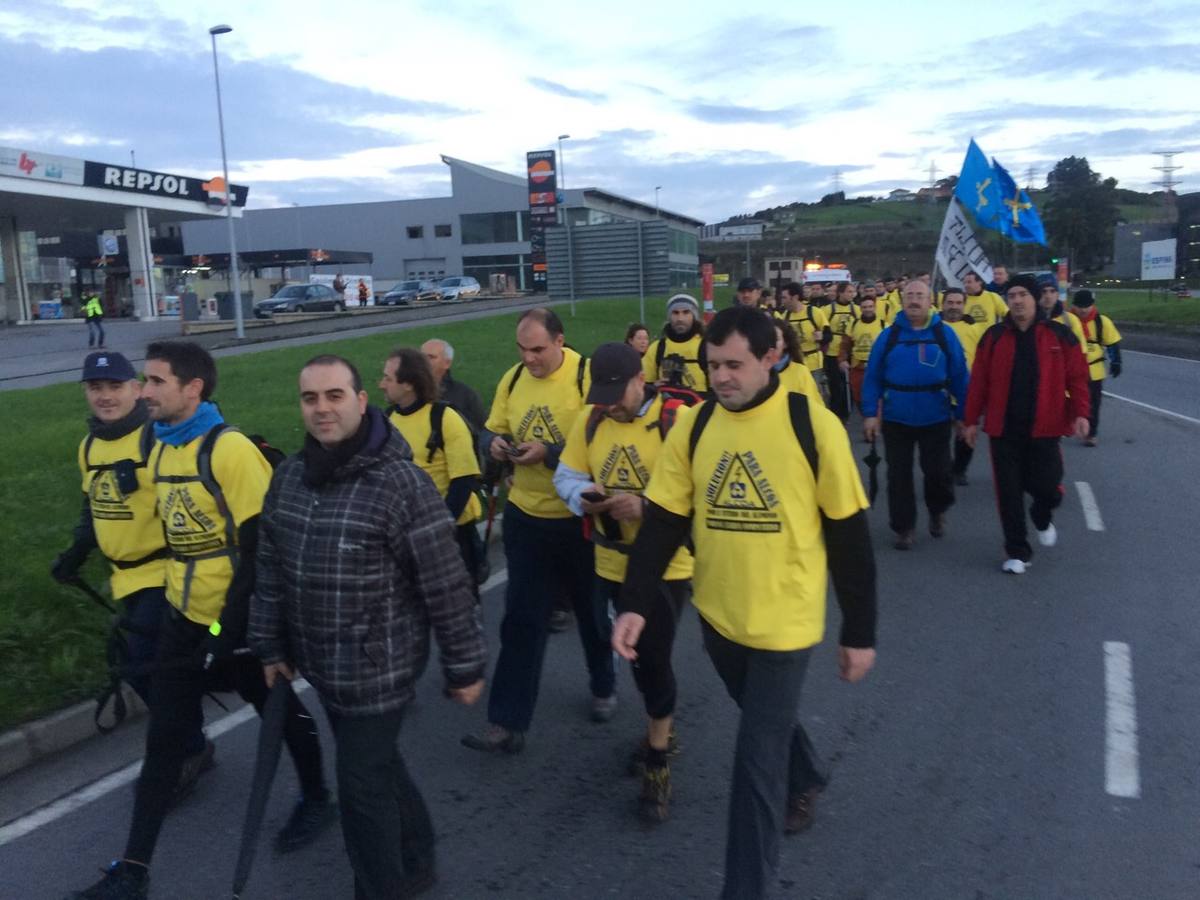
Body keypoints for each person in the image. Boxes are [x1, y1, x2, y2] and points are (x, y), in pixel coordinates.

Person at [613, 305, 877, 900]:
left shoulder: (813, 425)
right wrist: (634, 603)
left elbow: (850, 537)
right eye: (713, 365)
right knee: (762, 717)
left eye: (734, 364)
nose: (721, 377)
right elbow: (663, 522)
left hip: (785, 623)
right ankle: (807, 771)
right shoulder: (697, 426)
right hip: (718, 616)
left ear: (770, 357)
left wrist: (859, 630)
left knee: (756, 764)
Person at [69, 342, 333, 900]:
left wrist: (227, 634)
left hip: (243, 618)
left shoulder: (230, 450)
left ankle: (316, 798)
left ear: (192, 388)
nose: (144, 391)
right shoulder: (163, 450)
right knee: (164, 740)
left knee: (277, 710)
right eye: (145, 380)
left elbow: (265, 550)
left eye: (155, 381)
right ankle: (133, 872)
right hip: (184, 614)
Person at [251, 354, 486, 900]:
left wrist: (465, 663)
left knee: (359, 787)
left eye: (335, 396)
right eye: (310, 398)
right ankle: (418, 847)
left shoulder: (401, 484)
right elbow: (269, 568)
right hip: (322, 661)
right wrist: (269, 645)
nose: (322, 408)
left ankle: (384, 886)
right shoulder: (289, 477)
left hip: (383, 665)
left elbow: (445, 582)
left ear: (361, 402)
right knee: (376, 765)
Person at [51, 351, 211, 791]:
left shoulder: (153, 437)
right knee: (154, 668)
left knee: (141, 666)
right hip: (125, 576)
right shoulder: (89, 446)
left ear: (137, 389)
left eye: (116, 387)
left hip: (164, 572)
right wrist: (76, 553)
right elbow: (94, 505)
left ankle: (187, 748)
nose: (105, 397)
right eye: (95, 388)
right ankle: (190, 732)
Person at [553, 342, 694, 823]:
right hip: (610, 561)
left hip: (666, 565)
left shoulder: (680, 420)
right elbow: (566, 474)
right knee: (634, 658)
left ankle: (658, 761)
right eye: (602, 394)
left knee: (650, 657)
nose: (610, 404)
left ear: (641, 378)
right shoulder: (591, 420)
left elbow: (699, 489)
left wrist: (647, 506)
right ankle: (662, 724)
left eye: (618, 393)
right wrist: (584, 498)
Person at [462, 308, 611, 753]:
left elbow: (603, 445)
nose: (529, 359)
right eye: (523, 349)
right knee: (522, 620)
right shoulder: (512, 380)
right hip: (527, 516)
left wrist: (548, 454)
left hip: (578, 517)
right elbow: (490, 433)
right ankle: (507, 721)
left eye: (538, 350)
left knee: (591, 612)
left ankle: (603, 683)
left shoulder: (586, 376)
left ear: (560, 341)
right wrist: (497, 446)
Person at [963, 275, 1091, 573]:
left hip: (1046, 427)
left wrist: (1082, 413)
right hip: (1003, 429)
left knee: (1047, 488)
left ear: (1035, 299)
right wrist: (970, 421)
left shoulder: (1060, 336)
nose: (1017, 300)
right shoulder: (993, 337)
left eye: (1023, 295)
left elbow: (1078, 378)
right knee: (1008, 493)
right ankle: (1017, 551)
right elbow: (979, 382)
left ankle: (1042, 513)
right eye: (1012, 296)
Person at [861, 279, 968, 549]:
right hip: (897, 417)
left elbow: (959, 376)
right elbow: (872, 376)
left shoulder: (945, 334)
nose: (914, 300)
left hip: (937, 416)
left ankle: (937, 510)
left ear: (930, 301)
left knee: (938, 473)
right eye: (910, 295)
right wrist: (871, 413)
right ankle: (903, 527)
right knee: (898, 476)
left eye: (920, 295)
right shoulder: (888, 336)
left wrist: (965, 416)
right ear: (902, 300)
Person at [381, 347, 486, 593]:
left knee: (459, 610)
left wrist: (438, 528)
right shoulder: (388, 421)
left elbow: (463, 480)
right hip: (408, 535)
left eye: (387, 378)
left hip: (452, 534)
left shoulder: (445, 418)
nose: (381, 384)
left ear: (408, 384)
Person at [938, 287, 988, 486]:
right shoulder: (934, 326)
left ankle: (959, 469)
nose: (954, 307)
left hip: (967, 390)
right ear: (942, 304)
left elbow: (983, 360)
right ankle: (941, 468)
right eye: (950, 303)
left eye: (959, 303)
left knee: (965, 434)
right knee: (939, 435)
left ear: (964, 305)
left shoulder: (975, 329)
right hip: (939, 390)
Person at [1070, 289, 1123, 447]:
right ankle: (1065, 426)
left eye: (1088, 306)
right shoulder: (1067, 320)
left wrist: (1116, 362)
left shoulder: (1102, 322)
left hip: (1094, 371)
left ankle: (1091, 434)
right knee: (1067, 401)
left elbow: (1112, 344)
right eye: (1080, 306)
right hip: (1071, 371)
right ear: (1074, 306)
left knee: (1093, 403)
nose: (1084, 310)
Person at [642, 294, 708, 393]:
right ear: (669, 316)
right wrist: (653, 387)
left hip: (700, 405)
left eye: (686, 312)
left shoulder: (706, 347)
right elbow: (642, 386)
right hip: (666, 406)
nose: (680, 318)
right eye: (675, 313)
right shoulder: (657, 348)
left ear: (694, 316)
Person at [420, 338, 487, 434]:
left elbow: (483, 432)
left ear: (447, 363)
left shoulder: (465, 395)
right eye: (421, 357)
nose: (424, 362)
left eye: (431, 357)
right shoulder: (407, 393)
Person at [775, 282, 829, 390]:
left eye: (785, 298)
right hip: (794, 362)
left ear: (795, 297)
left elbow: (829, 335)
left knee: (813, 392)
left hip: (814, 364)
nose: (783, 301)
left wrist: (822, 337)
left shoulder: (814, 312)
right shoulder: (785, 316)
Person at [838, 295, 884, 412]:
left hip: (877, 367)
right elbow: (845, 344)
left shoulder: (884, 325)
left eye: (870, 306)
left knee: (878, 396)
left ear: (875, 307)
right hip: (858, 367)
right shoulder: (853, 324)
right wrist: (842, 360)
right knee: (858, 397)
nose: (868, 309)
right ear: (860, 308)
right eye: (864, 307)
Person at [822, 282, 859, 421]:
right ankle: (835, 413)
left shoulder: (856, 309)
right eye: (848, 292)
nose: (851, 294)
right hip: (833, 352)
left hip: (850, 351)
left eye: (853, 292)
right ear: (841, 293)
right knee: (835, 384)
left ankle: (846, 412)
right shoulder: (828, 309)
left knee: (848, 385)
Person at [770, 318, 824, 407]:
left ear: (785, 343)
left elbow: (815, 409)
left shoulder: (800, 372)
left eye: (775, 339)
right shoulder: (752, 373)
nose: (770, 343)